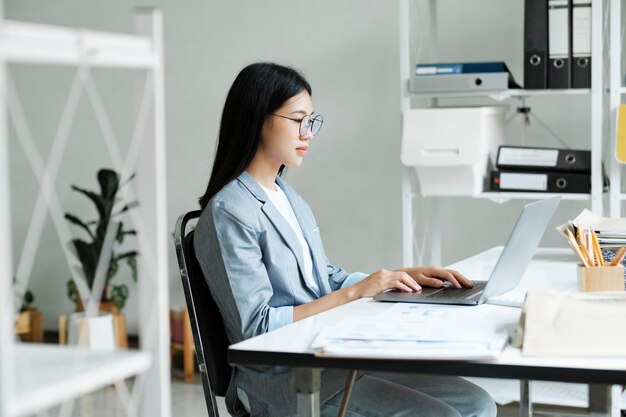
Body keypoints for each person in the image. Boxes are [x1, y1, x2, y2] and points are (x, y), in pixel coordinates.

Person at [194, 62, 497, 417]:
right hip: (285, 380)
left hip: (329, 353)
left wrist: (401, 277)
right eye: (298, 120)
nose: (308, 133)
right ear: (259, 118)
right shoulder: (230, 211)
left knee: (478, 403)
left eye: (312, 122)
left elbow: (324, 277)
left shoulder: (288, 197)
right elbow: (256, 328)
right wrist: (355, 292)